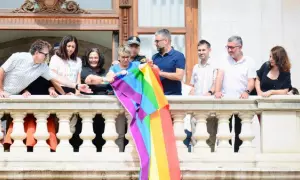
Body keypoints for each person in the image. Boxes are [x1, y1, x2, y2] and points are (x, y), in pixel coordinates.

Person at [214, 36, 256, 152]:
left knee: (241, 131)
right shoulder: (224, 59)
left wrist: (247, 92)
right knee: (224, 130)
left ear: (240, 47)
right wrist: (217, 91)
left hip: (241, 101)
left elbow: (251, 81)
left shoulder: (249, 61)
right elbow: (219, 76)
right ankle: (224, 155)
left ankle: (239, 155)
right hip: (225, 100)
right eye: (228, 47)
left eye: (232, 47)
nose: (229, 50)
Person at [81, 47, 112, 151]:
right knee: (86, 133)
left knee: (102, 132)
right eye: (91, 57)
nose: (93, 60)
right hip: (87, 107)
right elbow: (90, 80)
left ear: (99, 58)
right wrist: (106, 80)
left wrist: (105, 82)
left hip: (103, 109)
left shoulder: (103, 71)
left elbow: (109, 85)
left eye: (95, 57)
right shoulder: (83, 69)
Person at [189, 39, 218, 152]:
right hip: (196, 106)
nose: (201, 52)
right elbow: (192, 85)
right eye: (199, 50)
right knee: (195, 136)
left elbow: (216, 83)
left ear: (209, 50)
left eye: (203, 50)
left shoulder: (215, 66)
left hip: (210, 105)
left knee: (210, 136)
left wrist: (210, 93)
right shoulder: (196, 67)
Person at [152, 29, 185, 95]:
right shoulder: (154, 57)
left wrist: (160, 73)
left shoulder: (178, 56)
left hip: (173, 97)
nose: (155, 44)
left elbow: (179, 76)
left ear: (166, 41)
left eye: (157, 41)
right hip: (158, 97)